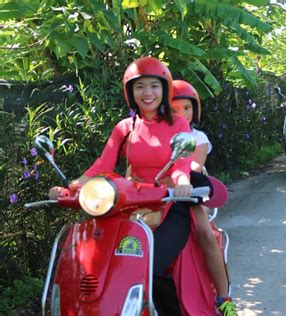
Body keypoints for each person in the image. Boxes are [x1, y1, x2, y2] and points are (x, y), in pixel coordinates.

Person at [48, 56, 199, 314]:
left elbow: (181, 164)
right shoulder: (125, 127)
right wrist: (74, 187)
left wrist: (182, 182)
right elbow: (103, 163)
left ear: (164, 89)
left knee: (152, 267)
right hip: (131, 205)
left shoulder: (178, 124)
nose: (147, 93)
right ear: (130, 91)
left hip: (168, 203)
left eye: (154, 85)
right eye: (140, 86)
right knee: (101, 262)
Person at [169, 80, 237, 316]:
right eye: (175, 109)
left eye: (186, 108)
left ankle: (223, 296)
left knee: (204, 233)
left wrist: (181, 175)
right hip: (160, 195)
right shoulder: (158, 135)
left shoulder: (198, 137)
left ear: (194, 109)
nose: (182, 114)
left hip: (190, 194)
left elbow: (196, 164)